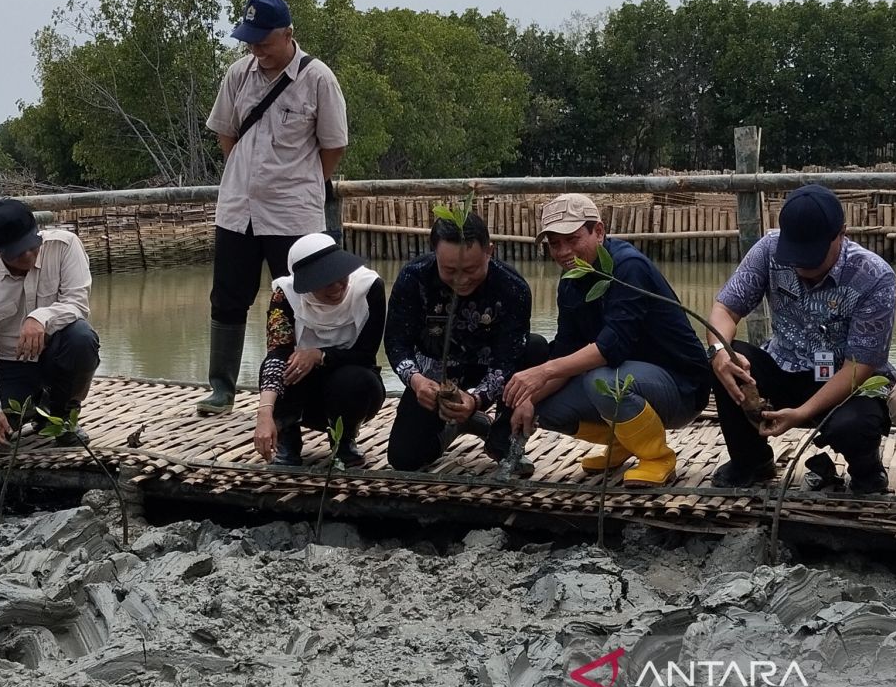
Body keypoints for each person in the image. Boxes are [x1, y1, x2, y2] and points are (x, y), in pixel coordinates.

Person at [196, 0, 349, 416]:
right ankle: (222, 388)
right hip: (237, 210)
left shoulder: (318, 78)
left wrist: (298, 181)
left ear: (288, 34)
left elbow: (333, 146)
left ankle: (294, 390)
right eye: (250, 42)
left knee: (299, 298)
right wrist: (248, 174)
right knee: (227, 296)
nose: (256, 50)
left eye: (264, 42)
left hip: (293, 213)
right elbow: (226, 131)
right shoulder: (237, 74)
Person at [502, 194, 711, 487]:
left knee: (602, 380)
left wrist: (542, 371)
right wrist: (527, 399)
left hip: (682, 388)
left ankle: (657, 457)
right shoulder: (570, 282)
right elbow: (565, 349)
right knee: (544, 406)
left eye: (572, 239)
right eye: (554, 244)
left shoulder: (628, 267)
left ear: (598, 231)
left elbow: (612, 346)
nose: (563, 252)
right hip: (630, 378)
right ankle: (627, 442)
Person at [707, 183, 895, 494]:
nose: (803, 265)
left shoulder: (874, 277)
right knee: (728, 360)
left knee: (854, 424)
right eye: (796, 256)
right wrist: (719, 352)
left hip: (846, 382)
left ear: (841, 233)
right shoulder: (768, 250)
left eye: (813, 256)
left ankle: (867, 470)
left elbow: (859, 366)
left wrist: (802, 414)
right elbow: (724, 309)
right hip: (785, 368)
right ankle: (751, 461)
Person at [385, 211, 540, 473]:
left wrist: (476, 399)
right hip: (434, 376)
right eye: (449, 270)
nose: (461, 280)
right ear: (434, 251)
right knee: (405, 458)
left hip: (490, 373)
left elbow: (508, 358)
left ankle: (503, 441)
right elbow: (396, 343)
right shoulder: (414, 278)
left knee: (534, 348)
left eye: (471, 269)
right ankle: (459, 424)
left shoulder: (513, 288)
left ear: (490, 250)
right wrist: (416, 380)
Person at [0, 199, 100, 450]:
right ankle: (35, 406)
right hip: (10, 365)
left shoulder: (65, 247)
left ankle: (63, 414)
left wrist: (40, 318)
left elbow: (78, 304)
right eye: (16, 252)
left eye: (31, 246)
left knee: (81, 337)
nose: (27, 256)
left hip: (56, 355)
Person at [253, 233, 386, 467]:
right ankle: (288, 438)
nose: (336, 286)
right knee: (280, 365)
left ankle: (344, 440)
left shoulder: (369, 288)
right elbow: (277, 352)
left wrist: (319, 355)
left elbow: (366, 354)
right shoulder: (285, 294)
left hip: (350, 391)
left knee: (356, 379)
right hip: (303, 396)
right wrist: (265, 414)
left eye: (340, 276)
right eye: (324, 281)